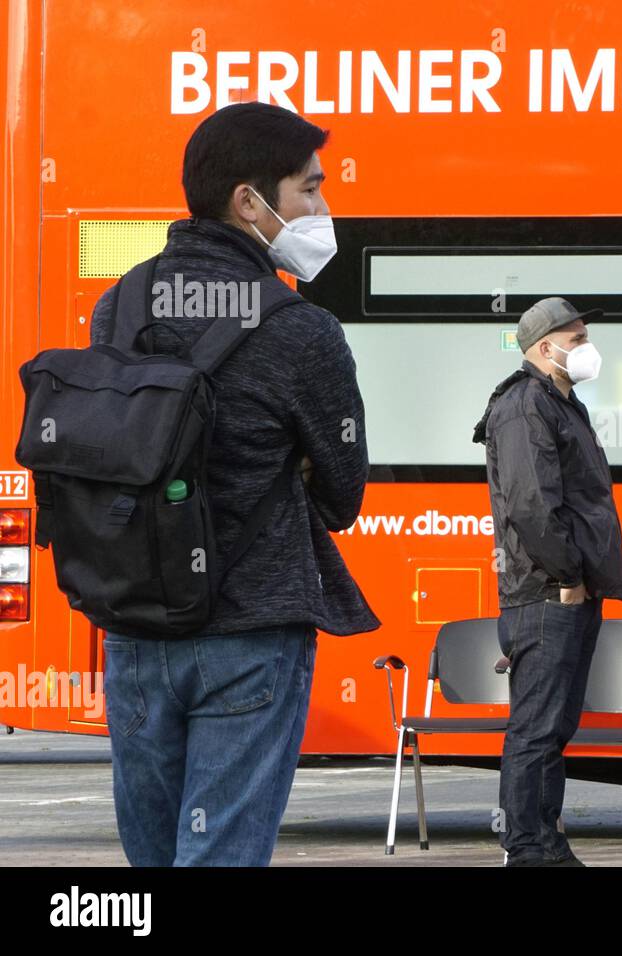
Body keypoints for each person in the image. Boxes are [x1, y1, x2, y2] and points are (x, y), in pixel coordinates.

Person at [93, 102, 378, 866]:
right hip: (251, 627)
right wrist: (296, 464)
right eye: (309, 190)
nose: (321, 209)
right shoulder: (299, 327)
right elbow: (345, 495)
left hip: (133, 621)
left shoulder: (118, 305)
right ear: (249, 201)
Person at [472, 297, 622, 867]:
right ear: (545, 348)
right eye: (576, 335)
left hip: (565, 593)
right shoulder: (524, 406)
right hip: (546, 595)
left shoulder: (560, 404)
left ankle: (544, 843)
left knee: (552, 727)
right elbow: (531, 504)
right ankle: (531, 849)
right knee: (537, 730)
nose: (586, 346)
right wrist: (567, 577)